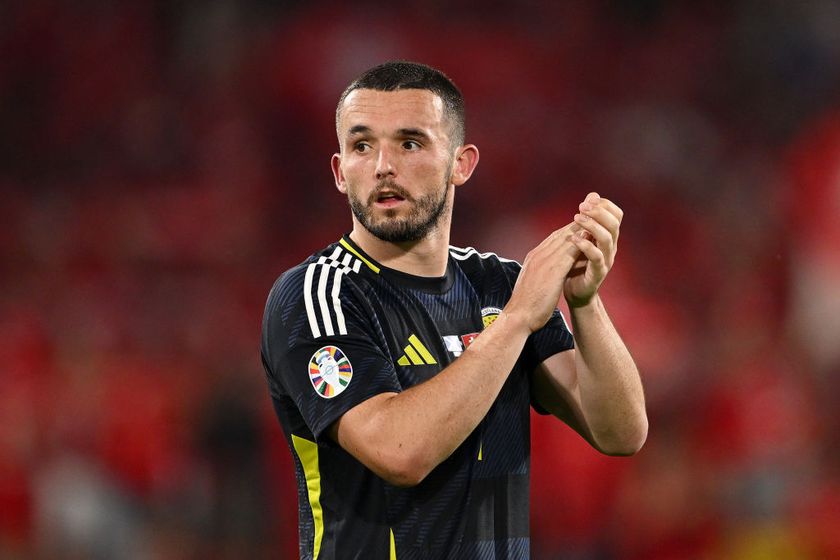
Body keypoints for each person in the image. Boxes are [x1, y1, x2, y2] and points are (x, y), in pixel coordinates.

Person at [260, 61, 647, 559]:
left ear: (461, 164)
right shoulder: (318, 295)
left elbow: (622, 431)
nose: (382, 166)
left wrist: (586, 303)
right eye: (362, 146)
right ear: (339, 172)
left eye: (410, 143)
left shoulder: (500, 286)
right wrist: (514, 322)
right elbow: (398, 453)